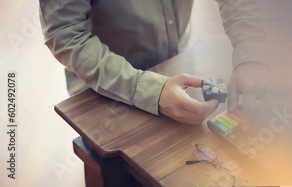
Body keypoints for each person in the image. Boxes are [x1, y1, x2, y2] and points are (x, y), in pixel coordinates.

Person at [39, 0, 272, 126]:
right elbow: (65, 33)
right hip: (105, 91)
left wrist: (250, 52)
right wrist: (147, 90)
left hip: (179, 61)